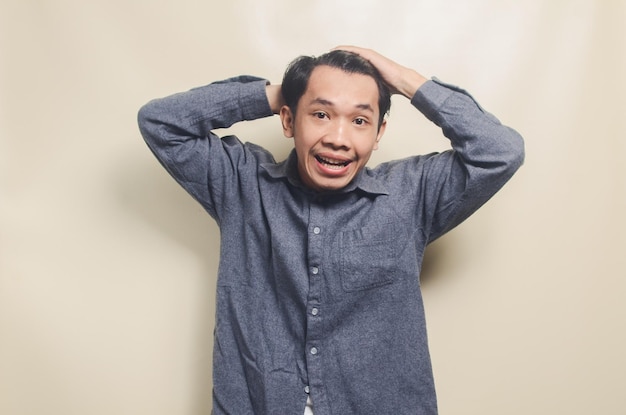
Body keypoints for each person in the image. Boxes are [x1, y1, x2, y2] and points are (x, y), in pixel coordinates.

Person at [137, 46, 524, 415]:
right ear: (288, 120)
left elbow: (500, 151)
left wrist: (405, 81)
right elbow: (161, 122)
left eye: (359, 121)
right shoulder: (241, 185)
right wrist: (283, 93)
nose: (338, 139)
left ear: (379, 133)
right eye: (320, 115)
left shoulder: (411, 195)